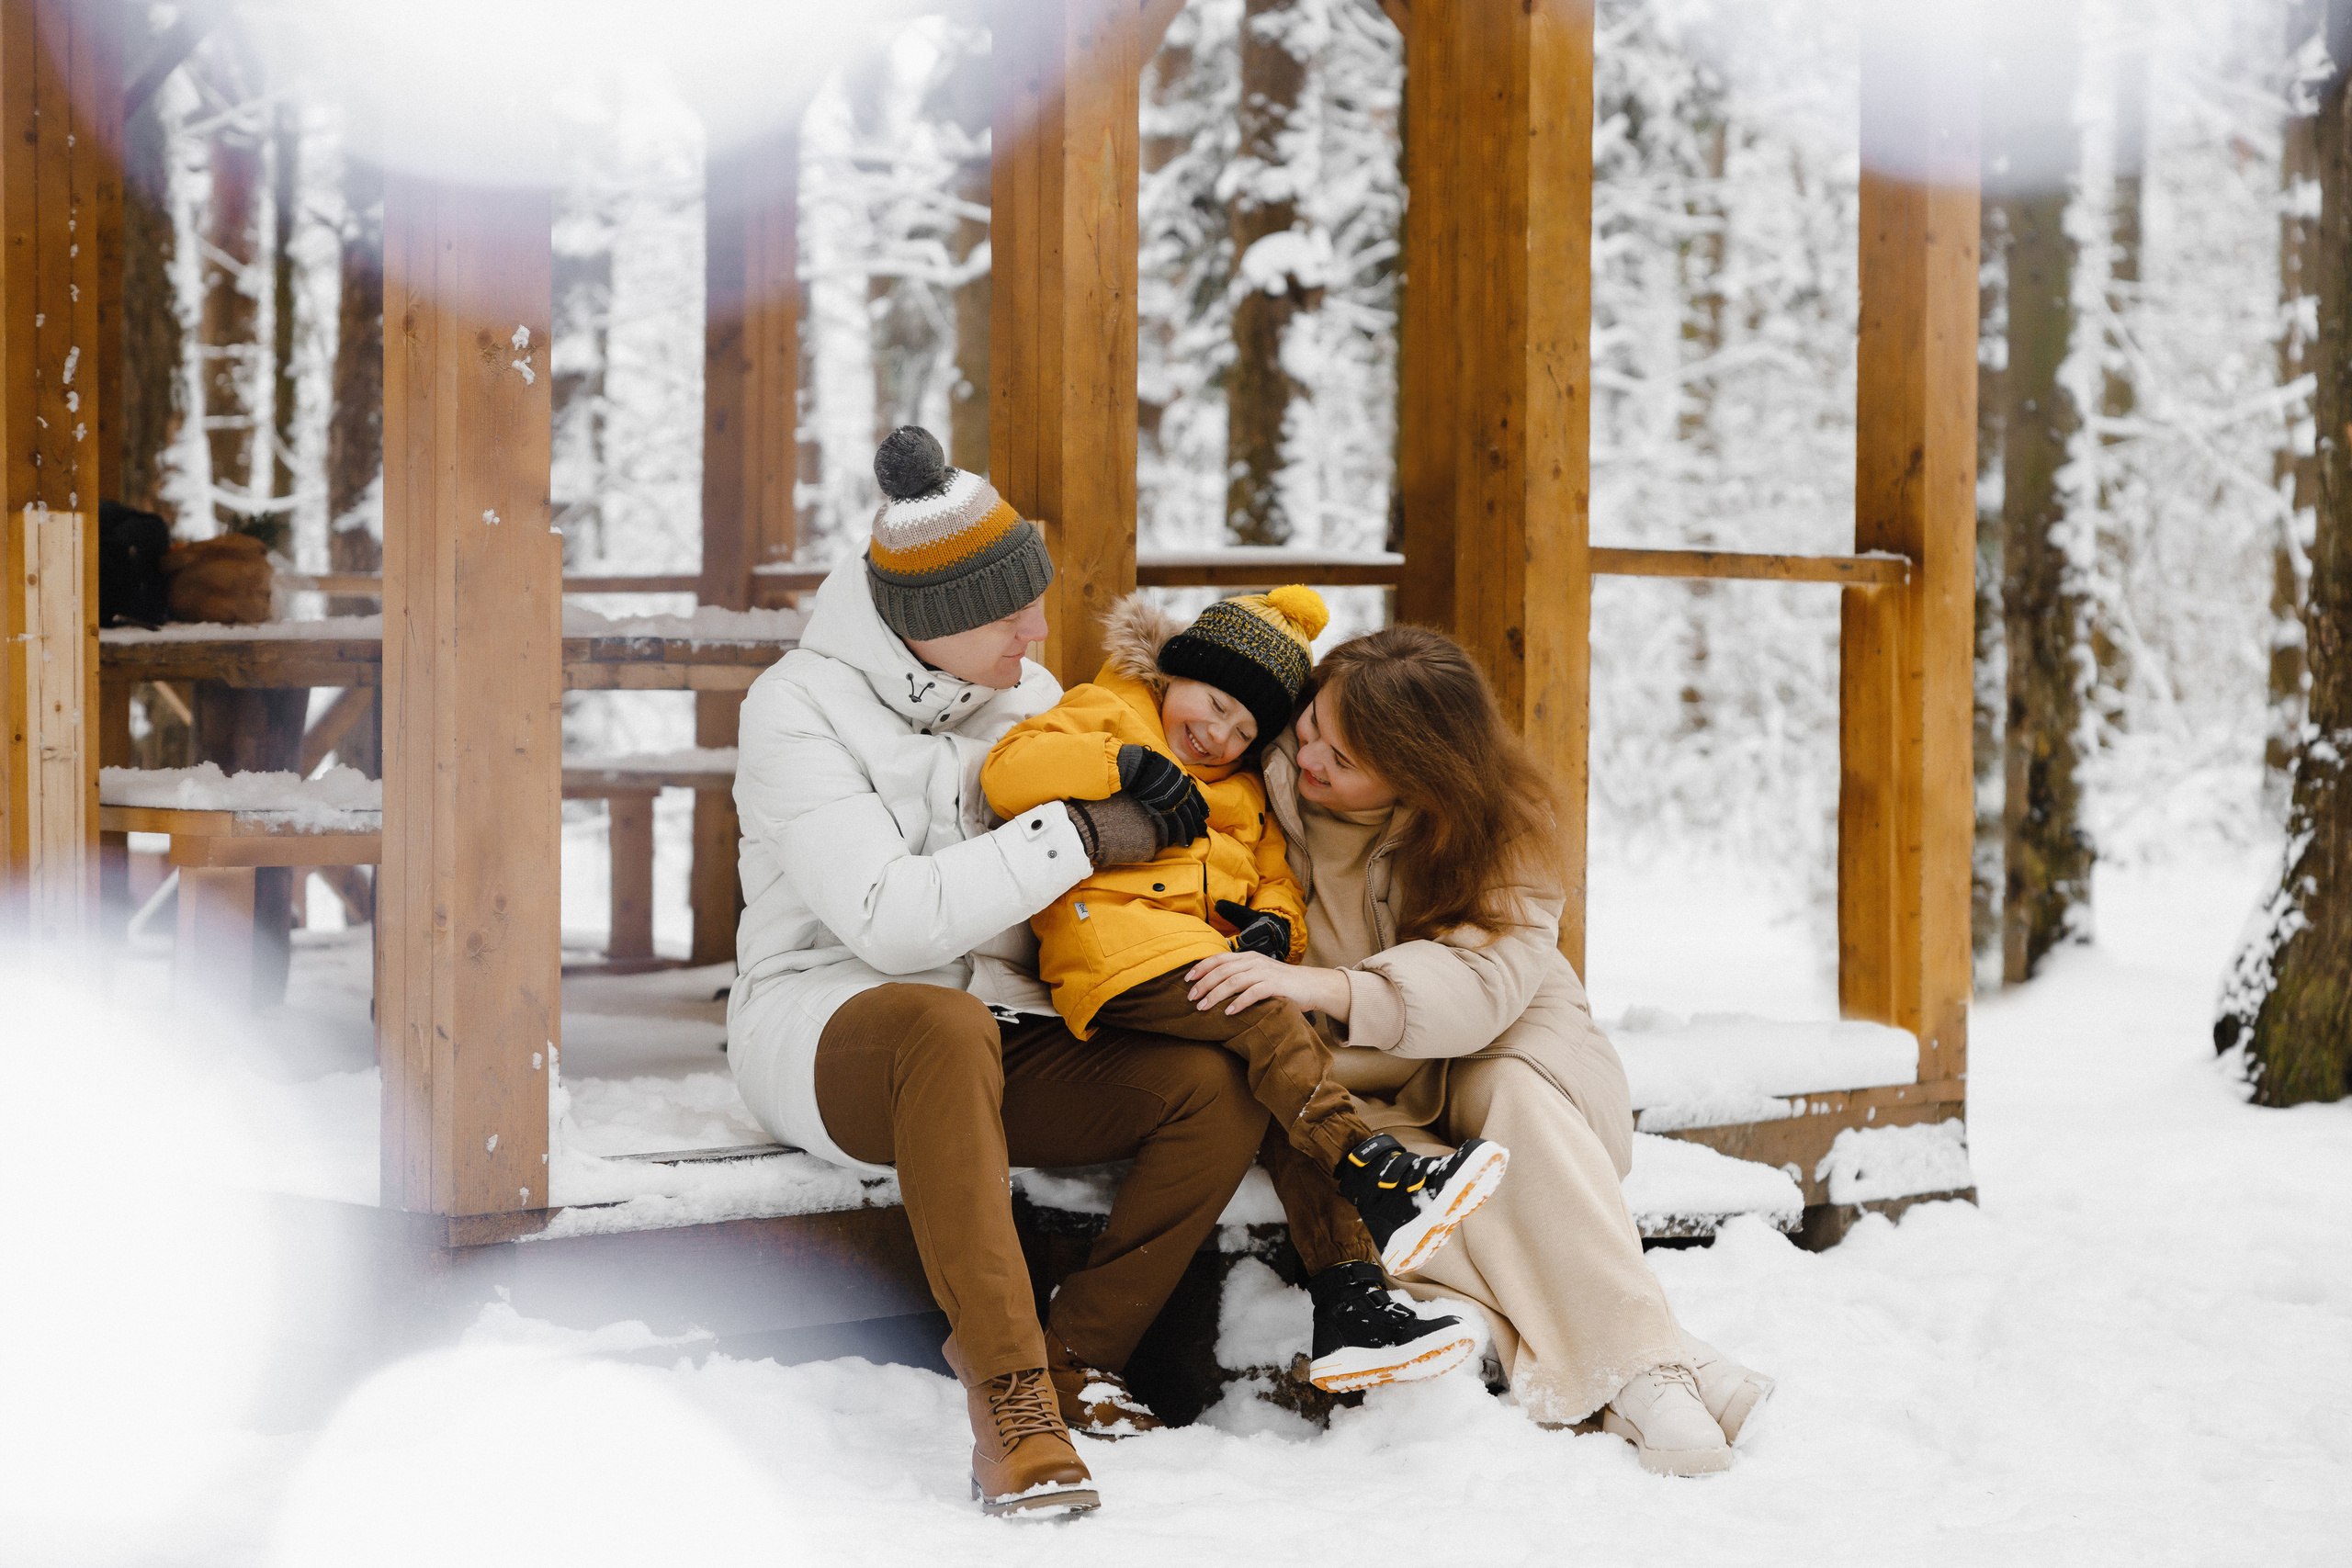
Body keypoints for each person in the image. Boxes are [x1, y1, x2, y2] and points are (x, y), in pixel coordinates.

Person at [727, 427, 1272, 1518]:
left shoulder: (1031, 698)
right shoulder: (795, 709)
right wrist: (1082, 832)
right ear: (927, 622)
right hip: (828, 1030)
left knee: (1209, 1086)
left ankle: (1080, 1355)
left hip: (1003, 1030)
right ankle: (1011, 1400)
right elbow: (888, 922)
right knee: (940, 1026)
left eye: (1038, 604)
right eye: (1009, 616)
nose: (1039, 632)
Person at [1182, 625, 1779, 1478]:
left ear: (1421, 777)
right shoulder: (1251, 775)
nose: (1307, 757)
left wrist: (1328, 987)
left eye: (1342, 758)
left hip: (1499, 1042)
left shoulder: (1505, 822)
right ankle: (1659, 1363)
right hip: (1350, 1078)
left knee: (1520, 1102)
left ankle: (1640, 1368)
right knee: (1401, 1195)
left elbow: (1480, 982)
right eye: (1311, 726)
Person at [979, 587, 1503, 1393]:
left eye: (1246, 730)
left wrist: (1272, 929)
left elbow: (1271, 877)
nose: (1220, 736)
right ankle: (1374, 1171)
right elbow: (1008, 772)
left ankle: (1351, 1301)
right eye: (1216, 704)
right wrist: (1122, 767)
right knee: (1270, 1022)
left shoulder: (1245, 787)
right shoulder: (1106, 713)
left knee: (1283, 1086)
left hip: (1196, 960)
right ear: (1175, 671)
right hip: (1111, 951)